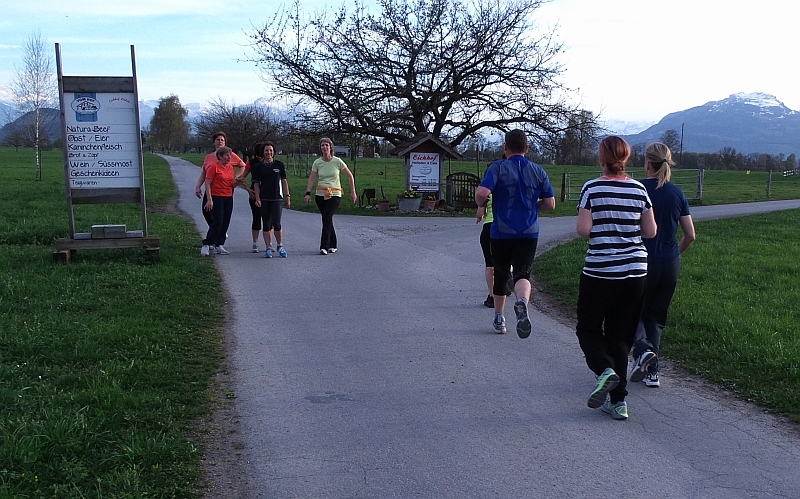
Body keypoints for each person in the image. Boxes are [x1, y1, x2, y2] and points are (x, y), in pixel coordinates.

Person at [575, 135, 657, 420]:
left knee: (587, 328)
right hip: (636, 271)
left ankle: (604, 369)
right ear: (626, 158)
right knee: (620, 337)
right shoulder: (639, 190)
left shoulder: (592, 188)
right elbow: (650, 232)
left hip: (601, 271)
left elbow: (584, 230)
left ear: (602, 158)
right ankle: (618, 402)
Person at [475, 129, 556, 338]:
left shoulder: (498, 167)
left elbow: (482, 193)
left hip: (501, 232)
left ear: (505, 147)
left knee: (501, 274)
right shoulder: (538, 171)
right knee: (522, 273)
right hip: (529, 232)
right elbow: (550, 203)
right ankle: (522, 302)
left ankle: (500, 319)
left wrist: (481, 203)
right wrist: (532, 207)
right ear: (527, 148)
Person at [629, 142, 696, 388]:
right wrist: (674, 254)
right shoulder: (677, 193)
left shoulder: (637, 189)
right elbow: (690, 234)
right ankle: (652, 372)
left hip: (641, 263)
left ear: (647, 163)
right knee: (656, 317)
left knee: (632, 313)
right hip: (669, 263)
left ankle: (643, 351)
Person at [304, 137, 357, 255]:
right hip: (321, 194)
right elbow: (312, 179)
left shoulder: (337, 161)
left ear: (330, 147)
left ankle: (324, 246)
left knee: (326, 217)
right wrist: (308, 193)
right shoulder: (317, 162)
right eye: (322, 145)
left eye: (326, 145)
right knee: (327, 219)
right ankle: (333, 244)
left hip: (335, 194)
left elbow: (350, 176)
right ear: (320, 148)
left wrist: (353, 191)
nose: (324, 147)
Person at [195, 131, 246, 227]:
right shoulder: (209, 157)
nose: (220, 142)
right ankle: (216, 230)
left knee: (221, 214)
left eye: (222, 140)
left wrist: (235, 176)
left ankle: (219, 232)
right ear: (214, 142)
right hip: (210, 188)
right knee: (206, 211)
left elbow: (243, 166)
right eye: (217, 140)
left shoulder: (231, 156)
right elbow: (204, 172)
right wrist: (198, 186)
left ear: (225, 142)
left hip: (224, 190)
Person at [252, 141, 291, 258]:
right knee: (266, 224)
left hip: (277, 198)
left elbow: (284, 181)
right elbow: (256, 184)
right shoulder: (258, 167)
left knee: (277, 223)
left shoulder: (279, 165)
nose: (268, 152)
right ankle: (268, 247)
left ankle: (280, 245)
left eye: (270, 150)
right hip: (264, 199)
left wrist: (287, 196)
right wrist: (257, 198)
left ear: (274, 152)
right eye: (266, 150)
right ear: (263, 152)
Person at [200, 146, 238, 256]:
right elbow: (207, 183)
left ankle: (219, 244)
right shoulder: (214, 167)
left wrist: (238, 183)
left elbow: (231, 184)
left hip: (228, 197)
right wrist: (209, 199)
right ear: (220, 156)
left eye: (230, 155)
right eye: (227, 155)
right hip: (216, 197)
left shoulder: (230, 168)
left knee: (226, 222)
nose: (229, 157)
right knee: (218, 221)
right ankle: (207, 244)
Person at [476, 194, 496, 308]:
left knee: (490, 263)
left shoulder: (488, 192)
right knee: (507, 258)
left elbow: (480, 214)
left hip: (489, 227)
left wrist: (481, 209)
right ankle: (508, 272)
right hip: (507, 226)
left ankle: (492, 296)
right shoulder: (511, 187)